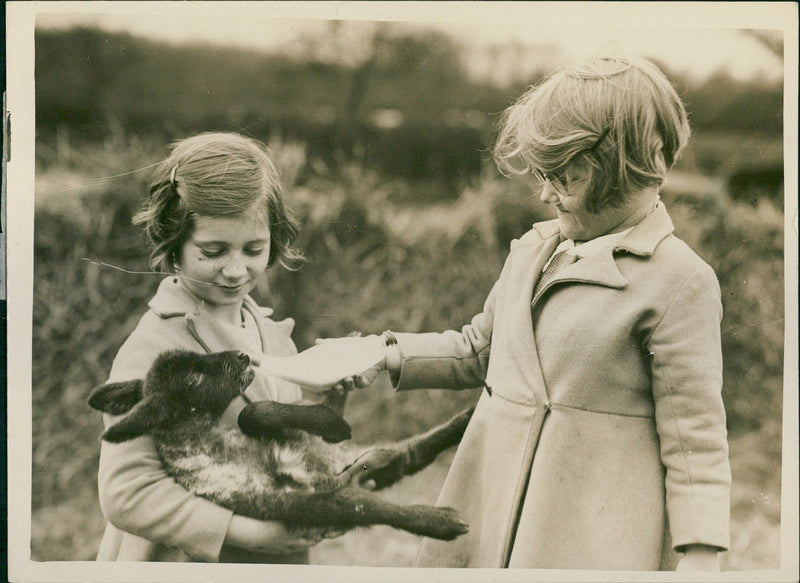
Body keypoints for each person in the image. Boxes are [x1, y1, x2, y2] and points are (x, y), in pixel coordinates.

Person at [271, 57, 731, 571]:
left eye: (563, 176)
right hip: (490, 507)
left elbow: (695, 440)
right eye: (542, 174)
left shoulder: (680, 280)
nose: (543, 192)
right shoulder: (533, 251)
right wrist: (381, 353)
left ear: (622, 166)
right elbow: (476, 350)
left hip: (592, 534)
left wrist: (701, 555)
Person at [94, 132, 342, 563]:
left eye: (253, 249)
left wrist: (329, 398)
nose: (235, 270)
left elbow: (286, 445)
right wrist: (248, 534)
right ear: (174, 247)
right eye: (212, 251)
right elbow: (125, 491)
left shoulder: (266, 329)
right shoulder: (154, 347)